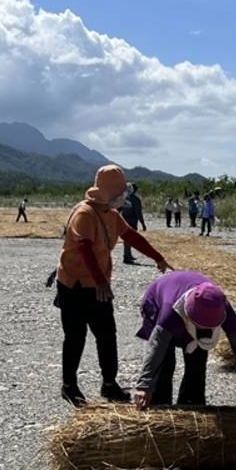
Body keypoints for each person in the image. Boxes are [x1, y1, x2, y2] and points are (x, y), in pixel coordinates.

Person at [55, 165, 172, 407]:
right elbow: (85, 249)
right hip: (75, 286)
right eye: (120, 192)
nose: (124, 197)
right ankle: (69, 385)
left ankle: (109, 384)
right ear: (109, 191)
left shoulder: (110, 213)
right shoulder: (84, 214)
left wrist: (157, 256)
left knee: (107, 335)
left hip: (99, 285)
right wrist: (99, 281)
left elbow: (130, 236)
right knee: (75, 337)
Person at [134, 271, 236, 410]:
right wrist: (144, 386)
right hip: (157, 302)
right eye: (201, 324)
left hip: (188, 308)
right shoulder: (170, 312)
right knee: (165, 363)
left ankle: (192, 406)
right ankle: (158, 406)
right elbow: (155, 347)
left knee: (197, 361)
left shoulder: (222, 307)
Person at [119, 183, 147, 264]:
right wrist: (143, 224)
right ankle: (126, 257)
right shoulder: (136, 200)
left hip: (124, 220)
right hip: (132, 222)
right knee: (129, 239)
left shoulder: (123, 198)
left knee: (127, 239)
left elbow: (118, 209)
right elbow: (138, 213)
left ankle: (128, 254)